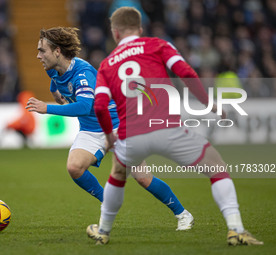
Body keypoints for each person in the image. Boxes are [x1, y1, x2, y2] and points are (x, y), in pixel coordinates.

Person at [87, 7, 263, 246]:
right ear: (140, 29)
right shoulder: (158, 45)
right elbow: (186, 72)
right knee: (217, 166)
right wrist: (208, 103)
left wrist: (109, 137)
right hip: (167, 127)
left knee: (118, 175)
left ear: (115, 33)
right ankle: (236, 229)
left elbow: (99, 107)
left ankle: (104, 232)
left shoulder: (107, 64)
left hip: (132, 135)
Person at [26, 27, 194, 230]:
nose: (38, 55)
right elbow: (56, 82)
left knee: (142, 177)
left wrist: (48, 108)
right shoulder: (52, 68)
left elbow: (85, 106)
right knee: (74, 167)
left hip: (117, 126)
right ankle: (107, 201)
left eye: (42, 50)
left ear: (57, 51)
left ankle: (183, 214)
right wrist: (55, 94)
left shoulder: (83, 73)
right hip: (90, 129)